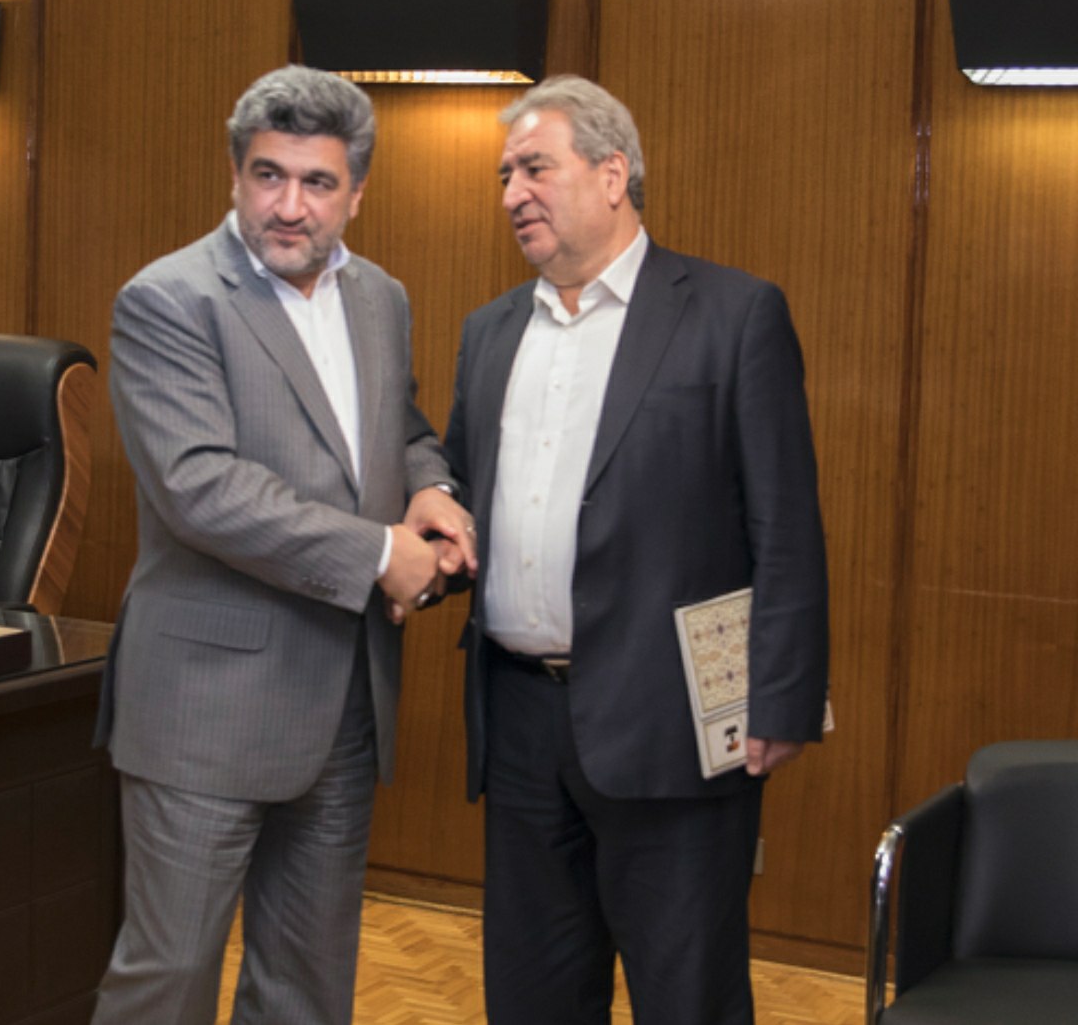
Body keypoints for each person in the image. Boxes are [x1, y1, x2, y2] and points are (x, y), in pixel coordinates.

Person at [440, 76, 830, 1025]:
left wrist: (780, 699)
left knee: (687, 997)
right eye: (504, 176)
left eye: (535, 168)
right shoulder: (490, 331)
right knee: (530, 998)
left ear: (613, 175)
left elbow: (786, 526)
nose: (512, 193)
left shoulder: (734, 314)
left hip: (675, 726)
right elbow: (457, 494)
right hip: (521, 722)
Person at [91, 65, 475, 1025]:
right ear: (235, 175)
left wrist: (430, 485)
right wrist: (382, 554)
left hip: (343, 702)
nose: (289, 206)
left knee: (307, 988)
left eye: (316, 182)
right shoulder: (169, 299)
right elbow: (201, 489)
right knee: (166, 981)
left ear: (357, 193)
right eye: (268, 175)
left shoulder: (379, 297)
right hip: (204, 711)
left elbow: (397, 428)